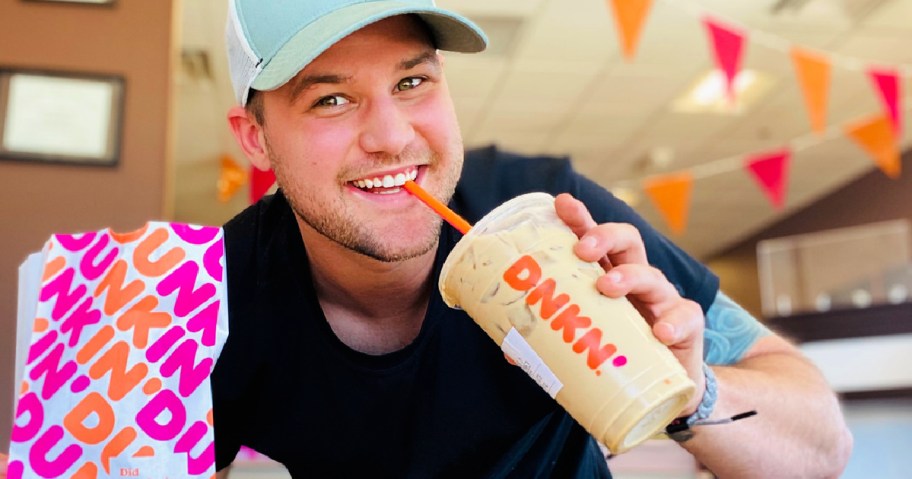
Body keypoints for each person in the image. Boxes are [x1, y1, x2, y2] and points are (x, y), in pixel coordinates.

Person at [1, 1, 852, 478]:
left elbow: (821, 447)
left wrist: (691, 386)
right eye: (330, 99)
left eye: (413, 81)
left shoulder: (549, 214)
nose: (391, 137)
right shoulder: (210, 297)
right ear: (255, 140)